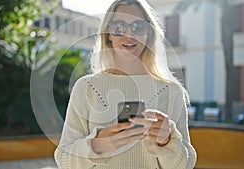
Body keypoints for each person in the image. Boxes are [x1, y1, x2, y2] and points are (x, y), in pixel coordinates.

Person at [54, 0, 197, 168]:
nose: (129, 35)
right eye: (119, 27)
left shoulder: (171, 92)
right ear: (108, 34)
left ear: (148, 33)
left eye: (138, 27)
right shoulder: (86, 87)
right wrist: (97, 145)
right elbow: (63, 159)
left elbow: (186, 165)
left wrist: (166, 142)